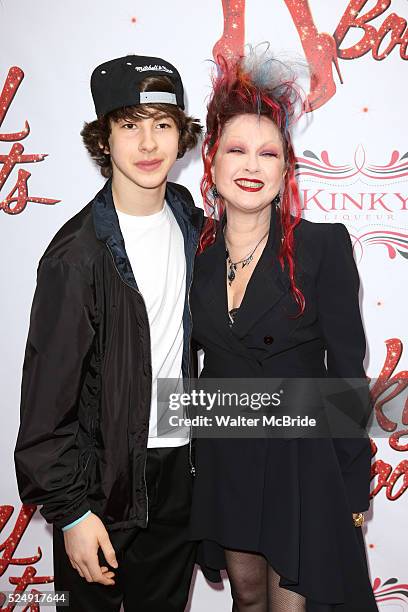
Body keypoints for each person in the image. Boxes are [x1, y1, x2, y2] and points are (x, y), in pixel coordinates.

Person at [189, 49, 378, 611]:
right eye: (237, 150)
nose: (252, 165)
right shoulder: (192, 253)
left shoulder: (322, 247)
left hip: (302, 462)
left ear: (286, 167)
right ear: (212, 161)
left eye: (268, 153)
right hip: (229, 457)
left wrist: (353, 481)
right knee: (247, 601)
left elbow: (347, 373)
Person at [15, 54, 203, 612]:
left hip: (180, 471)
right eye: (130, 125)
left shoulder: (187, 216)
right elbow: (46, 408)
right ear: (104, 138)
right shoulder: (76, 256)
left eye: (162, 124)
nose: (148, 143)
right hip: (101, 484)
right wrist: (70, 512)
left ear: (181, 134)